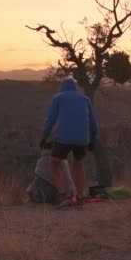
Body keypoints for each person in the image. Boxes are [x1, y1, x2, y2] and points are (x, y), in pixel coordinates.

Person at [39, 77, 98, 205]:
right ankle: (80, 196)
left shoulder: (58, 98)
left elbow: (50, 121)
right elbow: (93, 124)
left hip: (63, 138)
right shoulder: (85, 99)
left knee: (54, 163)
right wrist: (92, 141)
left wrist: (44, 138)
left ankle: (62, 194)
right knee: (78, 164)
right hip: (82, 139)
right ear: (75, 87)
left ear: (62, 87)